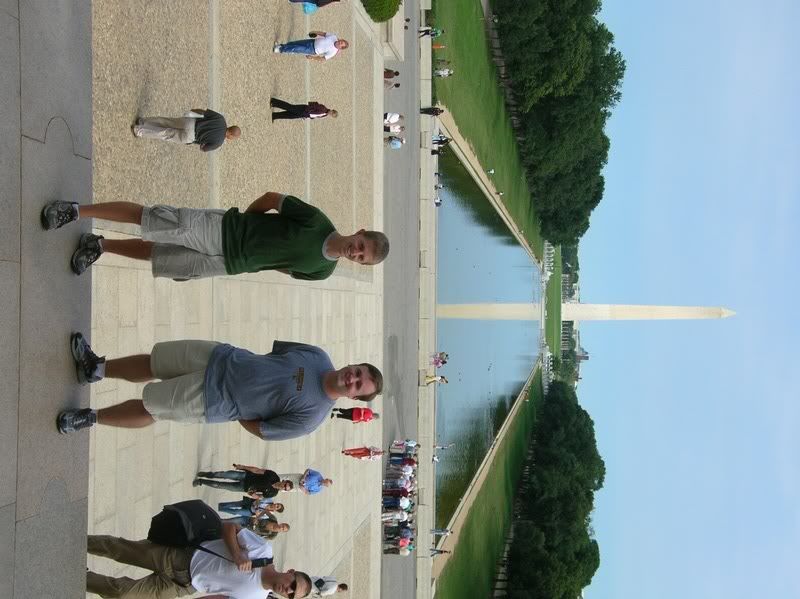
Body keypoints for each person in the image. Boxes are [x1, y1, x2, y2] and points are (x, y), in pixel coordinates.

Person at [56, 333, 383, 441]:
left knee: (150, 406)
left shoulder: (312, 417)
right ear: (352, 364)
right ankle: (95, 369)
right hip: (219, 355)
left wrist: (238, 404)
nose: (351, 379)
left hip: (214, 399)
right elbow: (275, 354)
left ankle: (90, 417)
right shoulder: (318, 356)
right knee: (155, 361)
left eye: (357, 385)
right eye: (357, 372)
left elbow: (263, 430)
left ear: (354, 397)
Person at [42, 191, 389, 279]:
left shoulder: (324, 271)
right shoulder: (317, 220)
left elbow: (284, 267)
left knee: (160, 256)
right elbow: (272, 199)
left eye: (361, 257)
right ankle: (76, 210)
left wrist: (252, 260)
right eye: (361, 245)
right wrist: (245, 225)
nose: (355, 252)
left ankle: (100, 245)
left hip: (228, 265)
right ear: (358, 232)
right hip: (224, 230)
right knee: (153, 219)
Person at [86, 522, 313, 598]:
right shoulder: (263, 551)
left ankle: (81, 575)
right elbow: (228, 527)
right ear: (291, 571)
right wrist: (237, 554)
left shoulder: (256, 597)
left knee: (122, 594)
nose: (288, 590)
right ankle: (80, 542)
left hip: (184, 587)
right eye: (293, 584)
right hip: (180, 558)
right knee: (119, 549)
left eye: (292, 595)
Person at [132, 108, 240, 151]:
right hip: (190, 136)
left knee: (166, 121)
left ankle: (143, 121)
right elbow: (203, 149)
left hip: (190, 122)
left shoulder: (221, 119)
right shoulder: (218, 143)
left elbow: (203, 112)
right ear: (231, 135)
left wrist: (192, 111)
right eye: (232, 138)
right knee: (165, 134)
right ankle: (139, 130)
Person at [192, 464, 294, 495]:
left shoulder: (273, 493)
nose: (283, 487)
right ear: (284, 481)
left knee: (220, 485)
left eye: (285, 489)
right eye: (285, 485)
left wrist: (252, 495)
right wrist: (243, 467)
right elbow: (257, 470)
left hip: (243, 487)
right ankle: (208, 474)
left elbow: (259, 497)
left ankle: (201, 481)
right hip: (245, 476)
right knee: (222, 474)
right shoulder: (273, 475)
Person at [274, 31, 349, 61]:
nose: (340, 43)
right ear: (341, 39)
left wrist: (312, 58)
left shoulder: (333, 52)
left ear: (341, 48)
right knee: (295, 43)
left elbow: (323, 59)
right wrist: (314, 32)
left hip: (312, 50)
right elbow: (323, 34)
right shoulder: (333, 37)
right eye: (341, 41)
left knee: (296, 48)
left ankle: (280, 49)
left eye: (341, 44)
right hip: (312, 41)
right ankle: (281, 46)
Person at [270, 98, 338, 121]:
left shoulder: (325, 114)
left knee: (290, 116)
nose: (331, 114)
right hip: (304, 109)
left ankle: (275, 116)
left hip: (305, 114)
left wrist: (308, 116)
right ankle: (274, 102)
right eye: (332, 113)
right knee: (289, 107)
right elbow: (314, 105)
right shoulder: (323, 108)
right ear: (332, 110)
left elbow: (315, 115)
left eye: (332, 115)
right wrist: (307, 111)